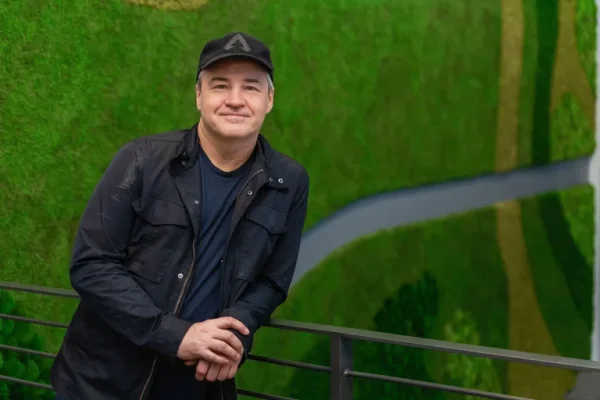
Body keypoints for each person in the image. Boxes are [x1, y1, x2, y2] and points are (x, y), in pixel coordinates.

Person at [50, 32, 310, 400]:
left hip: (200, 385)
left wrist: (235, 335)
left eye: (251, 87)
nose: (235, 100)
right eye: (220, 85)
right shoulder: (142, 159)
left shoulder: (290, 181)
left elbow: (272, 281)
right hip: (102, 384)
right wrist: (175, 335)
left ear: (269, 99)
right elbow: (91, 264)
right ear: (199, 95)